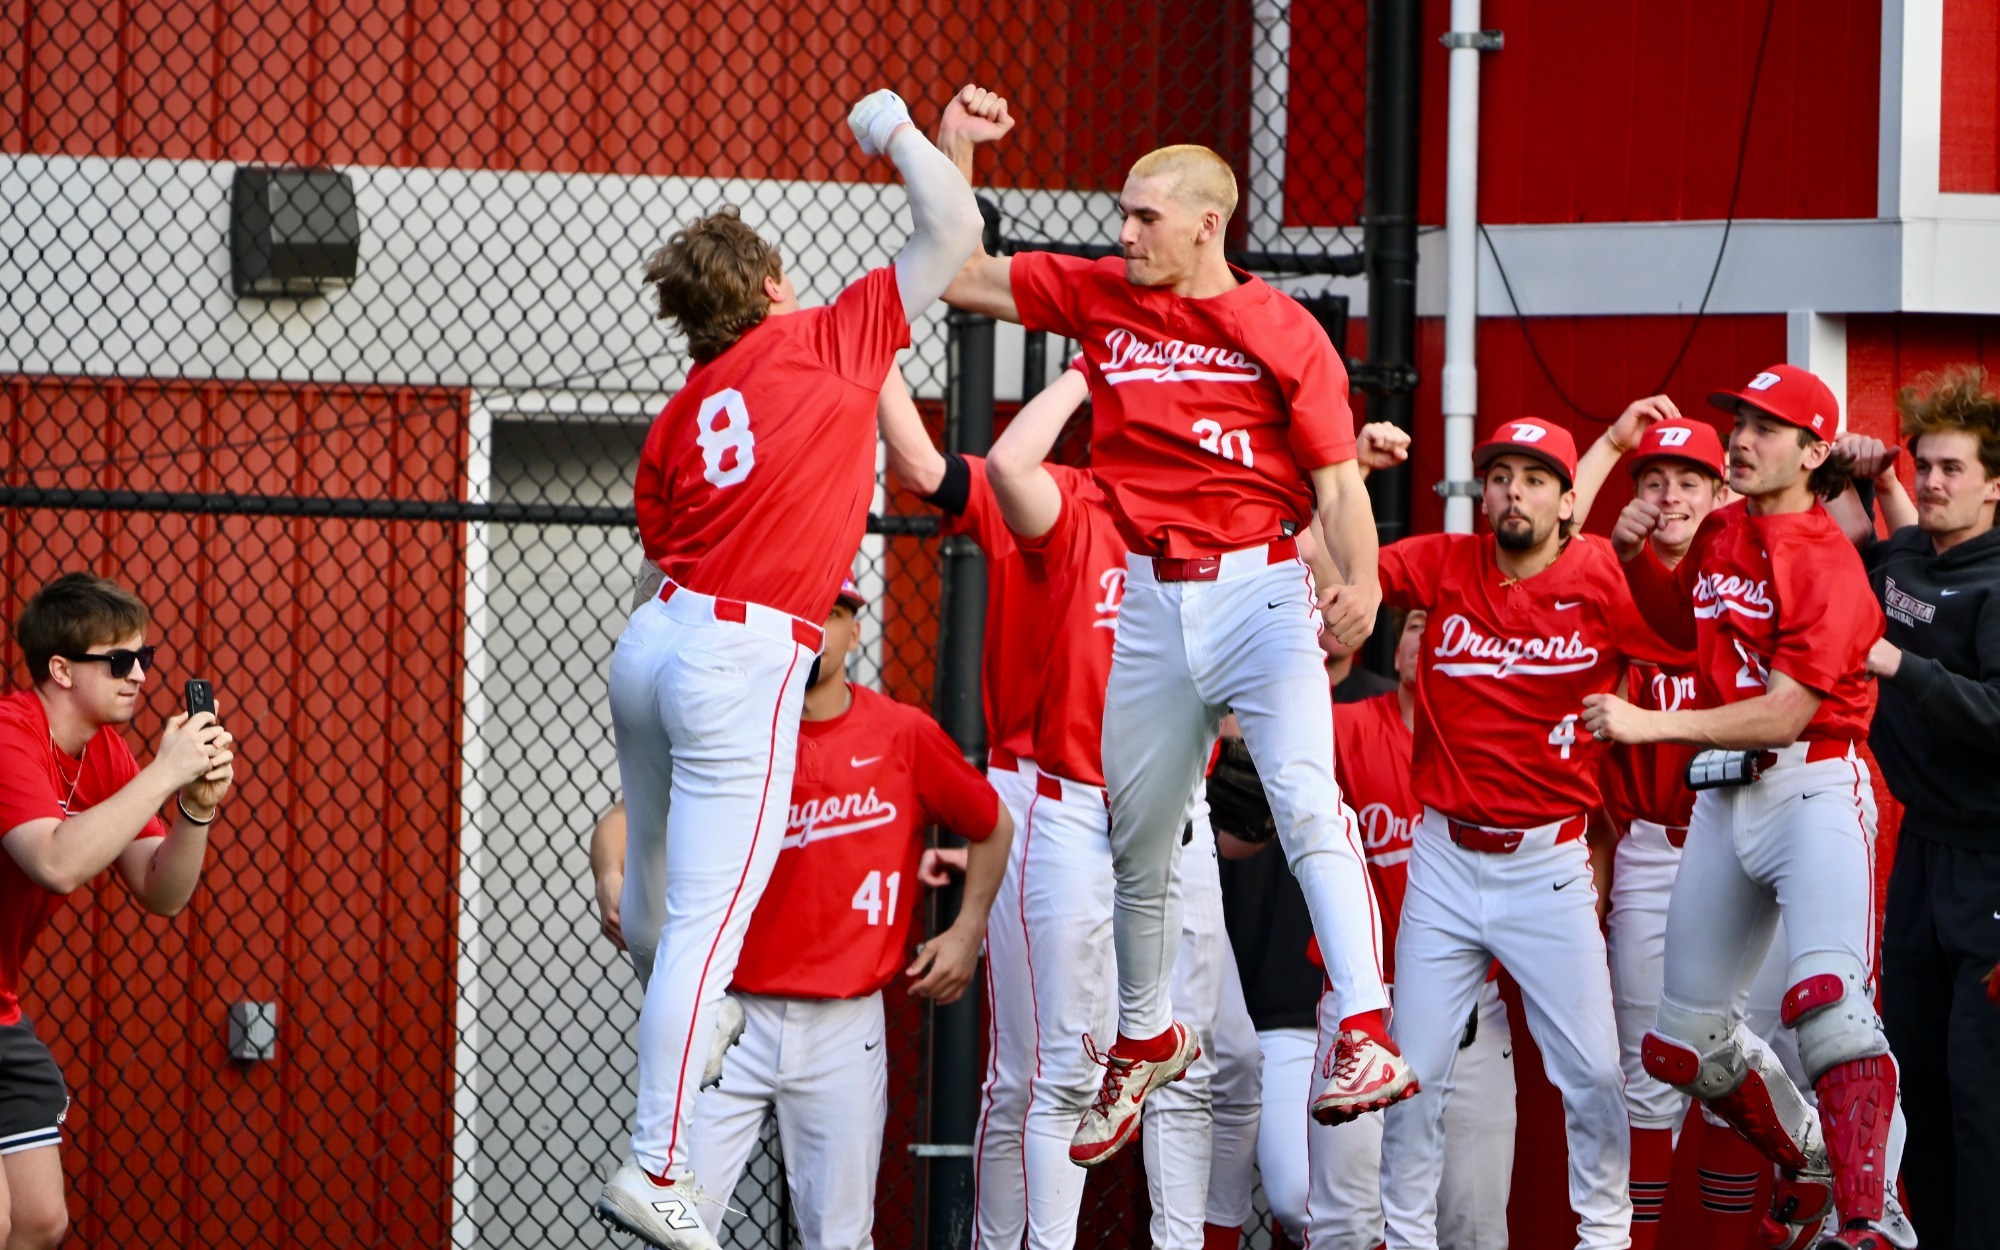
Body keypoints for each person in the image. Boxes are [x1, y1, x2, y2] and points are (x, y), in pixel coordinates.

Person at [938, 90, 1408, 1168]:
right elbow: (965, 273)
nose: (1123, 233)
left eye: (1144, 216)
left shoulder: (1280, 328)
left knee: (1302, 800)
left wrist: (1364, 583)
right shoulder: (1105, 296)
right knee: (1135, 840)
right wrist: (958, 151)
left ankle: (1366, 1030)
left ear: (1208, 223)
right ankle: (1143, 1036)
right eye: (1121, 213)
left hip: (1256, 589)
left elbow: (1337, 489)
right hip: (1150, 595)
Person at [597, 85, 984, 1249]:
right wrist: (896, 133)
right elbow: (953, 234)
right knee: (711, 926)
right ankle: (657, 1159)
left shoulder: (682, 406)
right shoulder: (826, 333)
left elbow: (661, 534)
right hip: (738, 650)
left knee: (664, 901)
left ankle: (686, 1061)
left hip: (654, 638)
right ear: (770, 286)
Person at [1586, 364, 1898, 1250]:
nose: (1744, 438)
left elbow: (1787, 710)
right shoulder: (1724, 530)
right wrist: (1641, 550)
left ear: (1814, 449)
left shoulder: (1827, 560)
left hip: (1812, 779)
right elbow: (1665, 625)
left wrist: (1653, 724)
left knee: (1831, 1010)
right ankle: (1808, 1152)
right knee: (1682, 1045)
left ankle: (1873, 1218)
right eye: (1742, 421)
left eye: (1768, 427)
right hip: (1729, 793)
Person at [1374, 417, 1687, 1250]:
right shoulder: (1444, 560)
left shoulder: (1597, 574)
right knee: (1415, 1074)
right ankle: (1403, 1240)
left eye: (1536, 478)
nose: (1515, 492)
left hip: (1548, 860)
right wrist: (1346, 477)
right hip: (1444, 856)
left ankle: (1605, 1238)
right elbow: (1340, 572)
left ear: (1568, 498)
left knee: (1591, 1072)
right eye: (1501, 476)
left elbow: (1684, 637)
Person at [0, 573, 233, 1250]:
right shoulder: (11, 735)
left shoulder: (103, 753)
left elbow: (162, 891)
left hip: (2, 1007)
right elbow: (56, 861)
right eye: (120, 660)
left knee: (41, 1223)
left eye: (145, 658)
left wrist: (195, 807)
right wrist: (164, 772)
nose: (139, 675)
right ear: (62, 669)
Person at [1831, 367, 2000, 1249]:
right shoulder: (1909, 558)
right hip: (1925, 862)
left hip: (1991, 868)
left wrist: (1904, 668)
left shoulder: (1995, 585)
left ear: (1995, 484)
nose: (1935, 482)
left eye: (1954, 470)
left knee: (1984, 1098)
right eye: (1926, 467)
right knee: (1920, 1085)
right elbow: (1861, 542)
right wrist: (1873, 471)